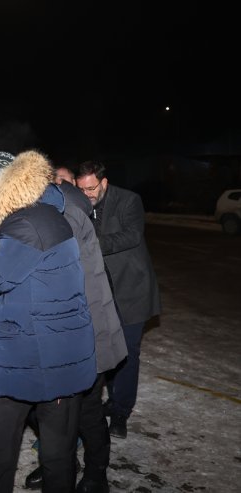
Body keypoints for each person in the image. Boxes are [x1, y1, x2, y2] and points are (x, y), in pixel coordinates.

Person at [0, 150, 97, 493]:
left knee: (47, 451)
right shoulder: (41, 213)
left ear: (10, 182)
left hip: (43, 356)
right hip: (35, 351)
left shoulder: (26, 222)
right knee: (29, 445)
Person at [23, 166, 128, 493]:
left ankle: (96, 472)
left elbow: (64, 281)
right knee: (41, 408)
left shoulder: (63, 215)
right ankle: (61, 462)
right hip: (60, 333)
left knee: (85, 410)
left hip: (85, 332)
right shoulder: (47, 209)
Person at [76, 160, 161, 439]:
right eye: (82, 188)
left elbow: (132, 235)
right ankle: (109, 401)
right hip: (100, 291)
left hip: (131, 289)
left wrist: (91, 244)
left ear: (104, 183)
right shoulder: (80, 203)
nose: (87, 194)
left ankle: (121, 411)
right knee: (104, 348)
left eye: (91, 188)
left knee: (128, 353)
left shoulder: (128, 200)